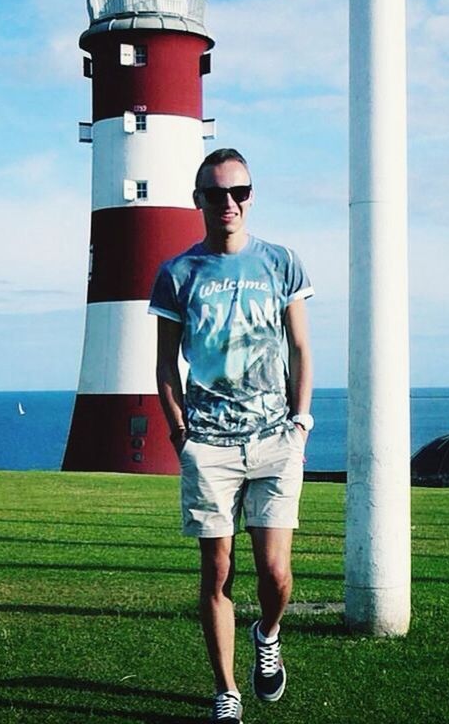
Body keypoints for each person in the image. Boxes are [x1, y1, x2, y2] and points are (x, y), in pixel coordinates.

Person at [148, 148, 314, 724]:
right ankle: (227, 691)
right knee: (216, 572)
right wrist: (179, 433)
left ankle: (267, 634)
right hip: (209, 445)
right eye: (216, 193)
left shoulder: (282, 262)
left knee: (275, 572)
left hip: (274, 440)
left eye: (239, 191)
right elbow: (166, 365)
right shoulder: (178, 274)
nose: (229, 203)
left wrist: (300, 421)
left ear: (251, 195)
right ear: (198, 199)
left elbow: (299, 347)